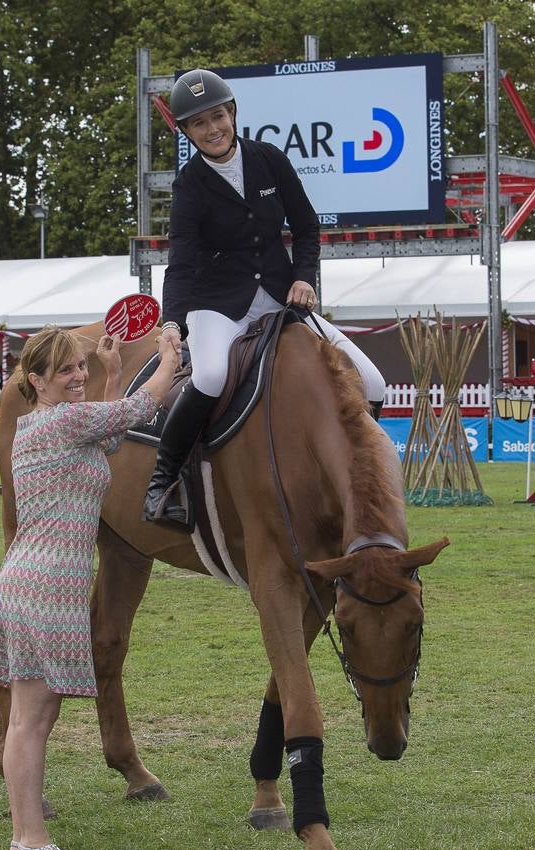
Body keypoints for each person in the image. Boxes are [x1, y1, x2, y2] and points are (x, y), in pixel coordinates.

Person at [145, 68, 387, 526]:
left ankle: (361, 471)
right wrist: (172, 324)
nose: (212, 128)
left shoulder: (270, 159)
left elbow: (307, 227)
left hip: (281, 297)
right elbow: (181, 263)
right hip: (218, 304)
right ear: (188, 132)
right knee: (212, 375)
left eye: (218, 116)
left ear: (232, 113)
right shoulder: (189, 185)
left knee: (374, 383)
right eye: (199, 123)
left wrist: (304, 278)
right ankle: (164, 479)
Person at [0, 326, 180, 850]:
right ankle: (28, 838)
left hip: (39, 581)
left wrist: (111, 373)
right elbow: (144, 407)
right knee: (31, 719)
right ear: (37, 380)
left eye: (80, 367)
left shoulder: (51, 427)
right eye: (66, 370)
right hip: (45, 584)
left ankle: (28, 835)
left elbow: (112, 436)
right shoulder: (67, 422)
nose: (78, 376)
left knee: (35, 718)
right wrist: (168, 353)